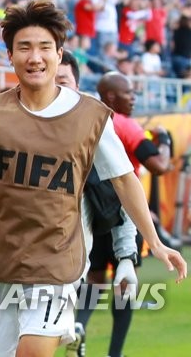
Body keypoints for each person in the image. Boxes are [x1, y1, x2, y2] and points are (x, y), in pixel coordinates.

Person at [0, 1, 186, 357]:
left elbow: (124, 180)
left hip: (57, 265)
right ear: (9, 55)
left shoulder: (91, 116)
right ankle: (70, 335)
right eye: (24, 48)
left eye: (44, 48)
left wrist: (154, 242)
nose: (35, 57)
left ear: (59, 55)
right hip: (1, 266)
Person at [75, 71, 172, 357]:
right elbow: (159, 166)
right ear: (111, 96)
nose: (133, 98)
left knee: (94, 278)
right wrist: (164, 140)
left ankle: (79, 329)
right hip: (123, 213)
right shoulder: (124, 125)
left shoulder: (85, 121)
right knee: (125, 280)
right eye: (128, 93)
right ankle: (115, 352)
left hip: (92, 213)